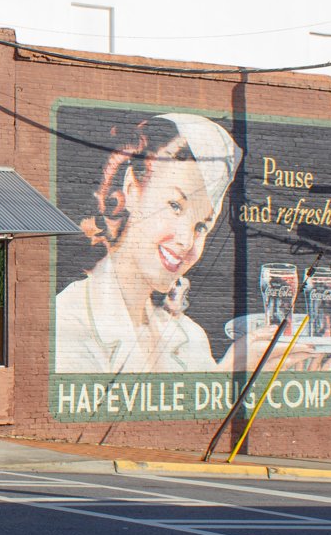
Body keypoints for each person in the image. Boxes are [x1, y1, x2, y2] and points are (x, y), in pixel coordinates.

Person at [55, 113, 243, 375]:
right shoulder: (67, 321)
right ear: (132, 189)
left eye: (201, 226)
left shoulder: (191, 338)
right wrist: (228, 375)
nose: (186, 241)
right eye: (175, 206)